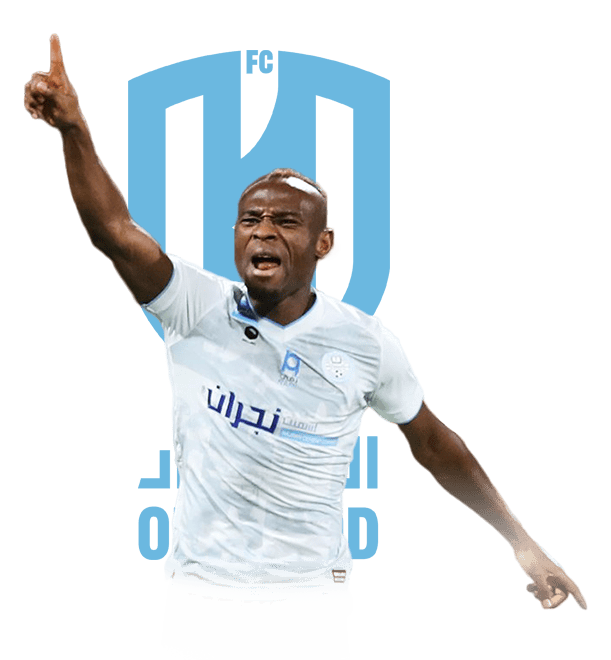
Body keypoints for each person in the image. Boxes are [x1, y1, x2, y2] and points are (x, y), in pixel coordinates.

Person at [24, 34, 587, 660]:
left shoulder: (366, 343)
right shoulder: (194, 305)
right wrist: (73, 130)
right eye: (250, 220)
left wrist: (521, 541)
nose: (263, 232)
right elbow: (113, 230)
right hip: (194, 604)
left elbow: (433, 445)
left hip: (302, 611)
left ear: (325, 245)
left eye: (286, 221)